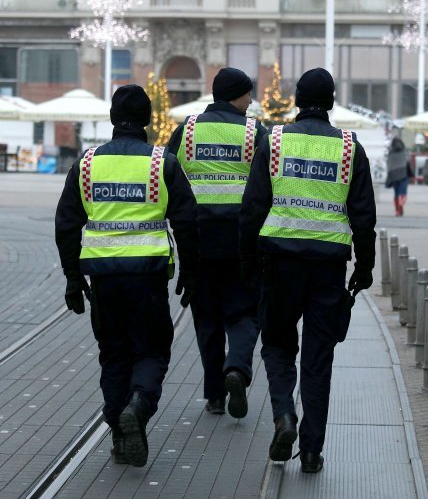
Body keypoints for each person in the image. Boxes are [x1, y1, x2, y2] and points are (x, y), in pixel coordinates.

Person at [239, 67, 377, 473]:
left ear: (297, 100)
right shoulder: (351, 148)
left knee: (278, 345)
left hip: (279, 264)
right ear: (332, 102)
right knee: (318, 360)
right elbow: (364, 216)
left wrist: (248, 260)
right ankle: (313, 451)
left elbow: (252, 209)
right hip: (328, 269)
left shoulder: (275, 141)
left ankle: (284, 414)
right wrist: (364, 267)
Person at [55, 85, 199, 467]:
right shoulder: (162, 163)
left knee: (114, 354)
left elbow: (67, 224)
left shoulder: (86, 165)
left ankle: (119, 438)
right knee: (151, 350)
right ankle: (138, 406)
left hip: (103, 279)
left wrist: (73, 277)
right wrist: (191, 271)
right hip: (148, 277)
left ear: (112, 119)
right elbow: (187, 221)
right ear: (149, 119)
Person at [166, 67, 266, 418]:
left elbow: (166, 177)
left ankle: (214, 396)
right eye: (248, 94)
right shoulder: (255, 132)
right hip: (242, 241)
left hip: (199, 240)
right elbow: (269, 185)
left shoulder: (187, 131)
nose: (251, 100)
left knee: (206, 319)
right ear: (236, 96)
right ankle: (236, 368)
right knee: (244, 313)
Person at [385, 128, 411, 216]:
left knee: (396, 193)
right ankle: (401, 202)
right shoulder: (404, 150)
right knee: (403, 191)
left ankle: (397, 210)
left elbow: (388, 163)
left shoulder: (391, 152)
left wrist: (390, 173)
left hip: (394, 175)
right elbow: (408, 160)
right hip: (404, 174)